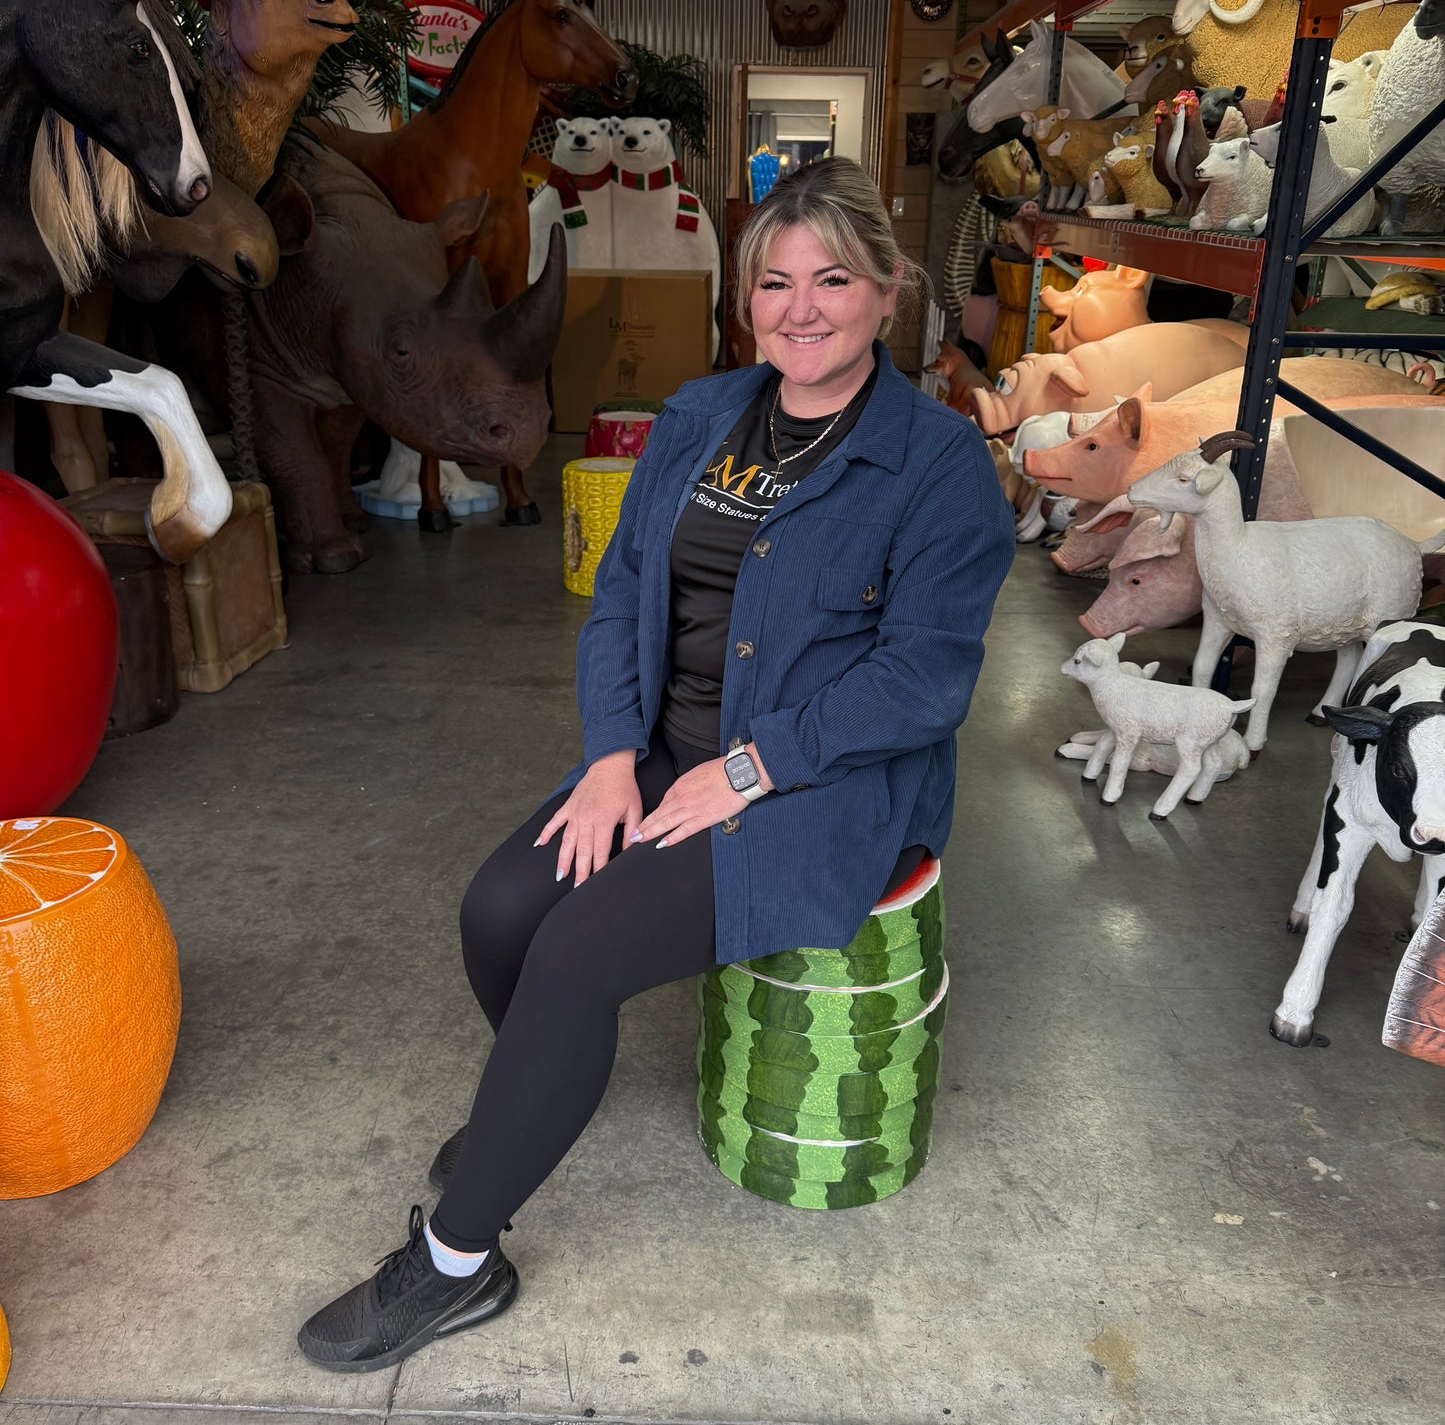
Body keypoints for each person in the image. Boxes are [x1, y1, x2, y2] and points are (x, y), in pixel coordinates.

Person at [297, 155, 1015, 1372]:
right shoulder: (698, 416)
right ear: (747, 299)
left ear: (885, 291)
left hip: (815, 785)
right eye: (773, 281)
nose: (799, 308)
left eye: (831, 278)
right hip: (665, 754)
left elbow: (923, 679)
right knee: (498, 911)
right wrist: (607, 757)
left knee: (572, 953)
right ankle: (524, 1107)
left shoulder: (937, 465)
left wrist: (747, 769)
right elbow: (624, 588)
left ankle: (457, 1260)